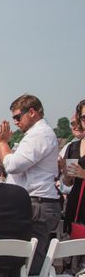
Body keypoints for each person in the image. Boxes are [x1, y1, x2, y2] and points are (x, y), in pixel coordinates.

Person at [0, 94, 60, 275]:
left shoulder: (39, 134)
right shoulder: (35, 135)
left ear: (32, 112)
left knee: (31, 263)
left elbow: (12, 165)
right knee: (25, 260)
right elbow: (11, 163)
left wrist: (2, 142)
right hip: (34, 202)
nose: (16, 122)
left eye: (18, 117)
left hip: (38, 203)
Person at [61, 100, 85, 237]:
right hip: (75, 207)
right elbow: (68, 182)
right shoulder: (72, 147)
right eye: (84, 117)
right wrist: (67, 177)